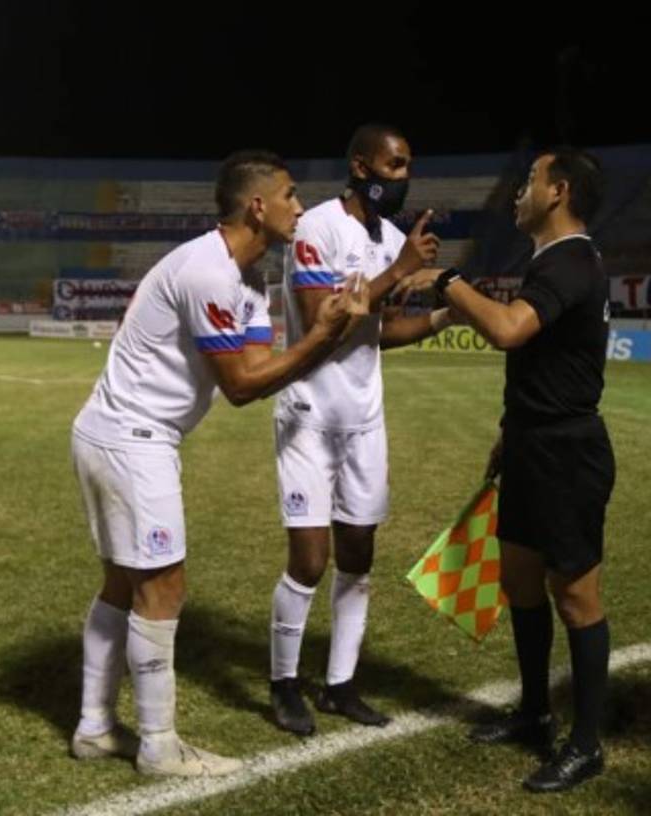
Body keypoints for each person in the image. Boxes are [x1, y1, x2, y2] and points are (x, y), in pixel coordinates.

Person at [68, 150, 368, 777]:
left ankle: (95, 728)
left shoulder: (250, 279)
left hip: (115, 434)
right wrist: (323, 334)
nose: (300, 207)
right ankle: (159, 745)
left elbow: (262, 372)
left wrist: (329, 331)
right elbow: (239, 387)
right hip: (133, 439)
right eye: (289, 195)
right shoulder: (208, 272)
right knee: (163, 587)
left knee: (122, 585)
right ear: (257, 206)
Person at [430, 147, 614, 793]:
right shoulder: (553, 260)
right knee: (520, 581)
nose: (518, 192)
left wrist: (447, 282)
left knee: (575, 596)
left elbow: (510, 330)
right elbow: (540, 360)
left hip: (568, 455)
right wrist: (511, 433)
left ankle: (586, 745)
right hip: (534, 446)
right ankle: (535, 712)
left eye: (529, 181)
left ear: (558, 191)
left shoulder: (571, 259)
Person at [267, 124, 450, 736]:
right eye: (394, 166)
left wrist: (444, 317)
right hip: (309, 417)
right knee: (309, 560)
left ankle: (340, 684)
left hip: (364, 421)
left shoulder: (392, 238)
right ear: (361, 167)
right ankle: (284, 682)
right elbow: (323, 320)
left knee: (358, 555)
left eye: (408, 167)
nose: (403, 178)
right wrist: (399, 270)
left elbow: (378, 331)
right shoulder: (316, 228)